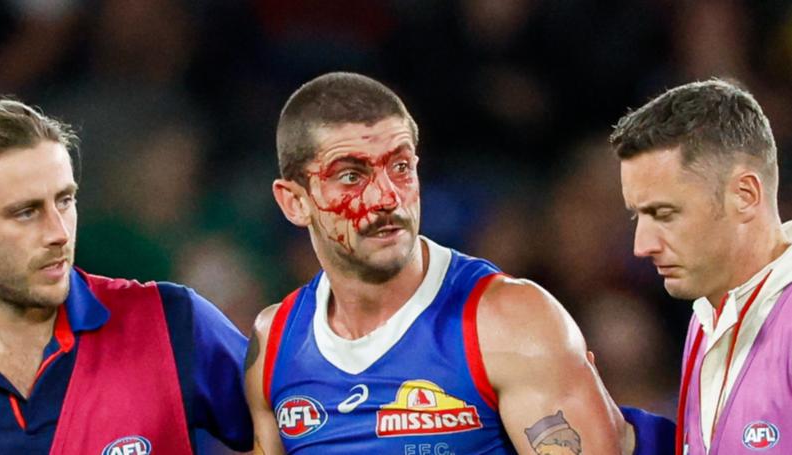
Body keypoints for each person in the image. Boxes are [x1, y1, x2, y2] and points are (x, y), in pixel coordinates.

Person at [245, 71, 673, 454]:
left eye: (400, 167)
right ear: (294, 202)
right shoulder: (274, 347)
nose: (387, 198)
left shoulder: (509, 322)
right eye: (352, 176)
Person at [0, 98, 253, 453]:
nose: (59, 232)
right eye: (26, 212)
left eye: (65, 200)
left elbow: (311, 433)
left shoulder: (171, 322)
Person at [611, 79, 792, 454]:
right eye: (637, 218)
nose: (641, 246)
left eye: (664, 214)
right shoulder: (708, 315)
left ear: (744, 195)